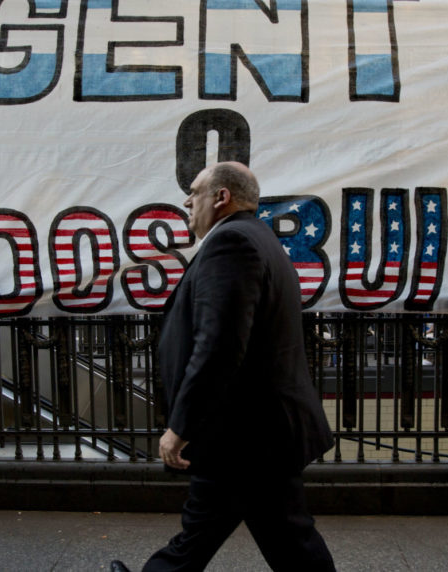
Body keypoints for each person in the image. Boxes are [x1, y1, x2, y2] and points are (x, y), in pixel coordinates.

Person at [113, 162, 335, 572]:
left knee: (258, 536)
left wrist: (181, 426)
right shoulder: (257, 237)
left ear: (221, 197)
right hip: (255, 432)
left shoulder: (231, 244)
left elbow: (218, 345)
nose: (186, 201)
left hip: (243, 433)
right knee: (282, 537)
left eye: (195, 191)